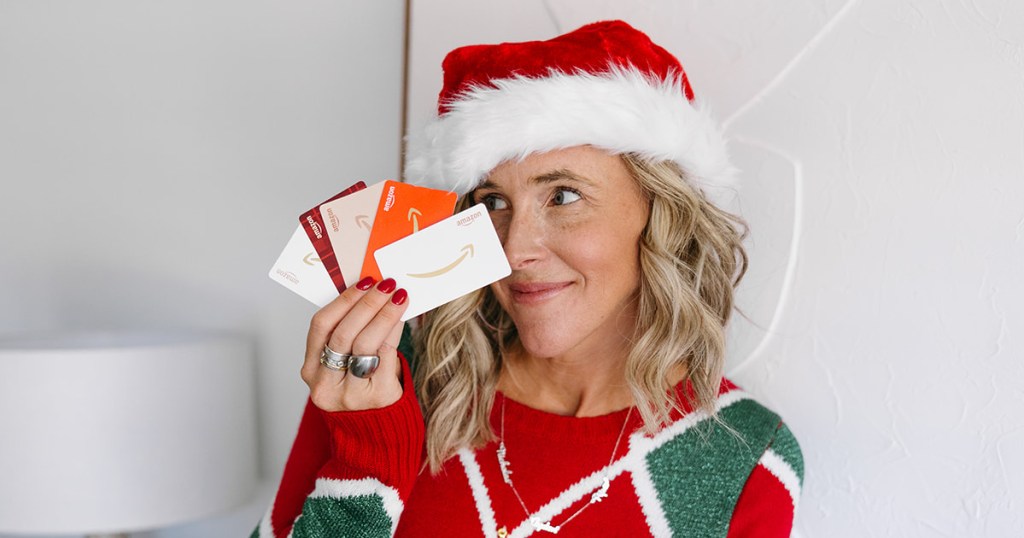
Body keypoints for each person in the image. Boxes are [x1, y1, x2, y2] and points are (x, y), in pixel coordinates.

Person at [254, 20, 803, 538]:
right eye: (492, 201)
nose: (513, 249)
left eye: (563, 196)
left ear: (661, 214)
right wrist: (367, 457)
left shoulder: (745, 458)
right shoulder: (383, 383)